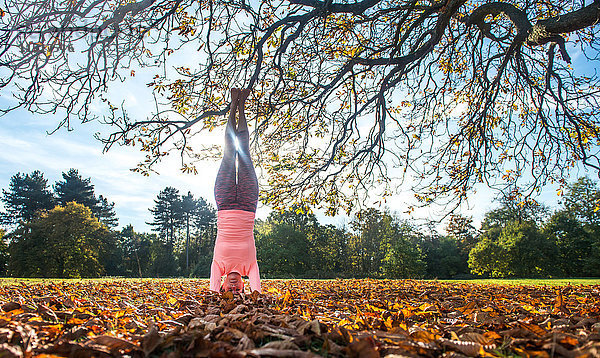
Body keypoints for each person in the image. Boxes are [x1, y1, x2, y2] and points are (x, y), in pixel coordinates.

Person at [209, 88, 261, 294]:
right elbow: (257, 293)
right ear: (243, 285)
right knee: (245, 151)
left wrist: (215, 295)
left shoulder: (218, 266)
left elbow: (212, 294)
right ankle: (242, 105)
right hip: (248, 204)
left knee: (229, 151)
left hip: (224, 203)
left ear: (221, 285)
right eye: (238, 290)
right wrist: (254, 297)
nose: (233, 288)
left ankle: (233, 105)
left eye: (228, 291)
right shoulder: (250, 267)